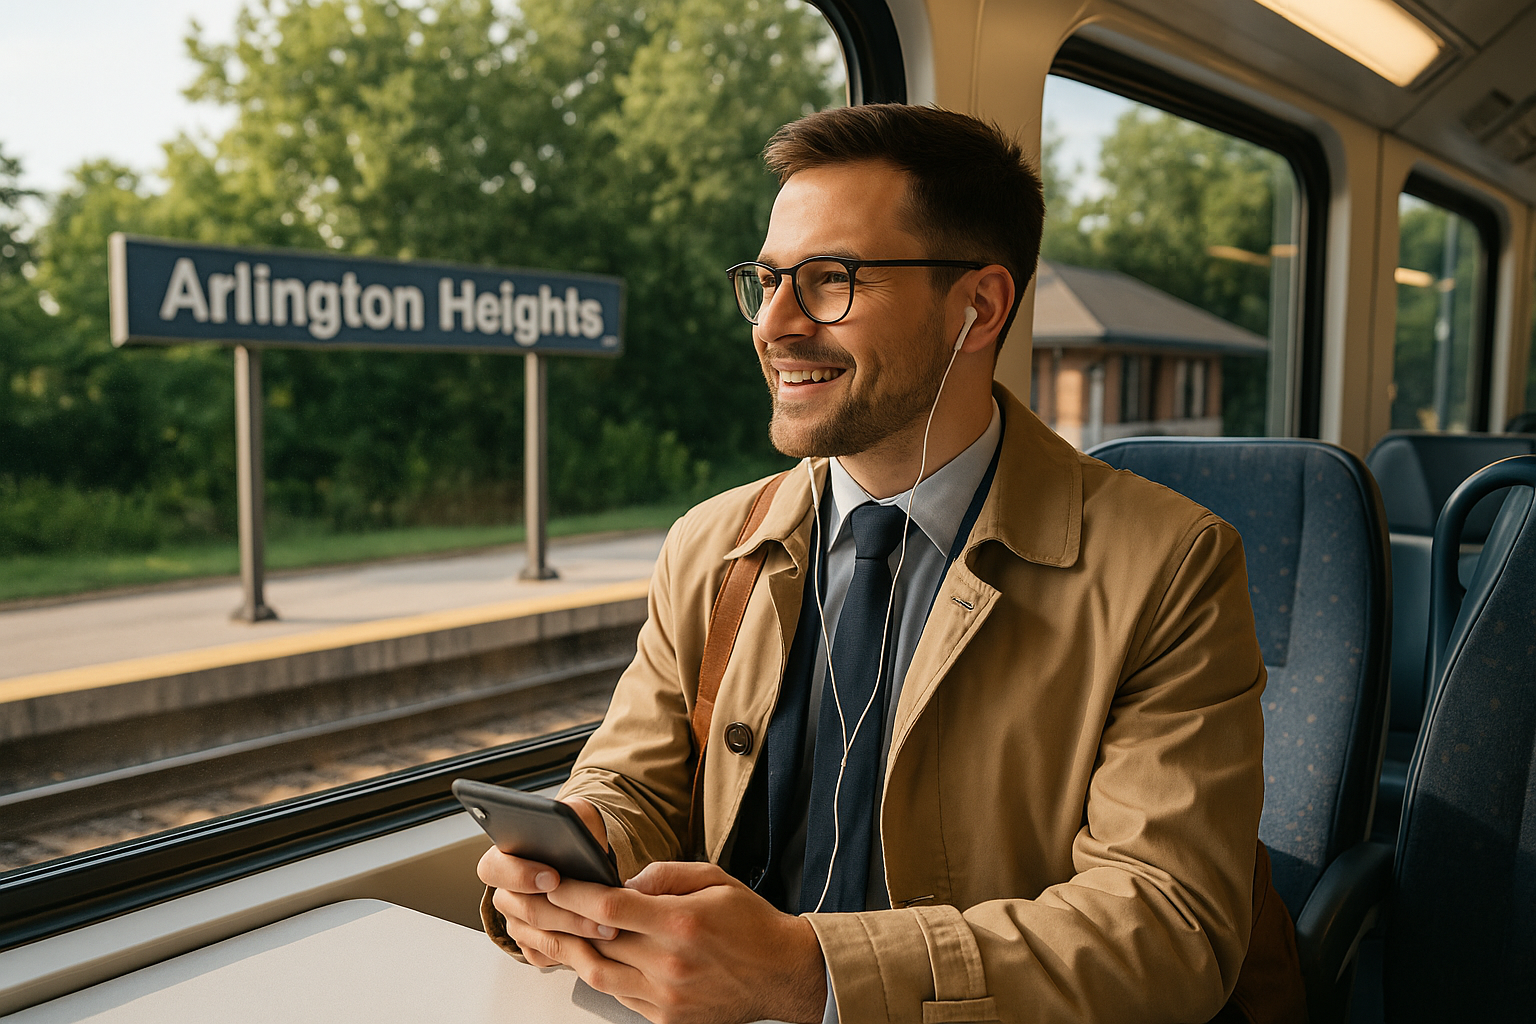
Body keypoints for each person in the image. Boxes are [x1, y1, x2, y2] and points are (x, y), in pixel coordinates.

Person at [477, 103, 1303, 1024]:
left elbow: (1169, 928)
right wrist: (579, 848)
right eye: (768, 278)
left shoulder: (1171, 567)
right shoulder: (709, 547)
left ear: (977, 308)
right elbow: (631, 781)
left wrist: (811, 972)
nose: (777, 325)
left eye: (832, 280)